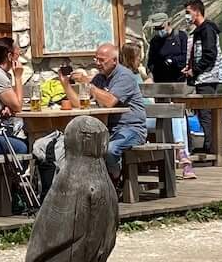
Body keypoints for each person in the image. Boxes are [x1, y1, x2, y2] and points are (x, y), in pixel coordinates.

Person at [63, 41, 149, 183]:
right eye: (96, 59)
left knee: (109, 150)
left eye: (101, 60)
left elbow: (109, 102)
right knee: (77, 146)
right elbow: (80, 104)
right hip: (107, 128)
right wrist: (65, 84)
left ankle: (115, 177)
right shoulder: (100, 78)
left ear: (114, 61)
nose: (97, 63)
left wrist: (88, 85)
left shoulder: (124, 76)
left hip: (131, 129)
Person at [182, 0, 222, 94]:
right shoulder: (200, 31)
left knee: (205, 107)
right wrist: (190, 67)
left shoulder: (207, 30)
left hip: (208, 77)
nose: (186, 16)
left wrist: (195, 70)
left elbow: (210, 54)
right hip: (202, 78)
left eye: (188, 12)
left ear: (197, 12)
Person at [147, 15, 189, 84]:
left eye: (161, 28)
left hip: (178, 81)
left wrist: (171, 60)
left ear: (168, 23)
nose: (159, 31)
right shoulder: (155, 41)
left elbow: (185, 57)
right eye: (156, 29)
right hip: (160, 82)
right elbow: (151, 62)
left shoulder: (180, 36)